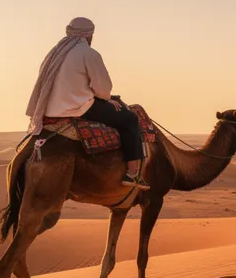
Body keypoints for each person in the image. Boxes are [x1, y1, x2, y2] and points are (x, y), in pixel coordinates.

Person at [26, 16, 146, 189]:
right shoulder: (89, 53)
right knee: (129, 120)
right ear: (89, 35)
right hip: (78, 108)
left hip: (48, 109)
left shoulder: (53, 54)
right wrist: (106, 98)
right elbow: (103, 89)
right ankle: (132, 173)